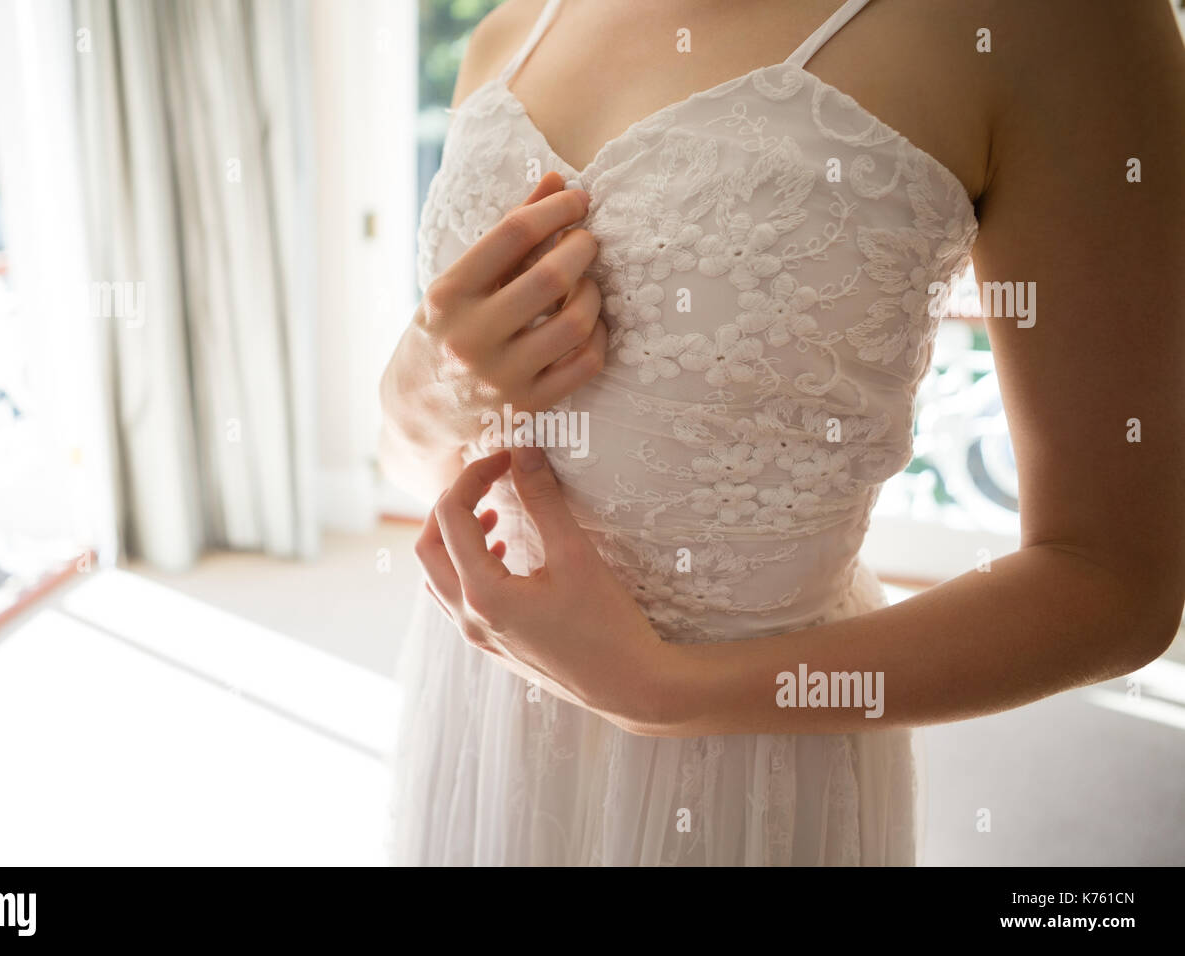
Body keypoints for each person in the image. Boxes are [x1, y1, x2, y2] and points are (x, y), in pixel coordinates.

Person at [379, 0, 1185, 865]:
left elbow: (1114, 584)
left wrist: (667, 692)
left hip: (745, 764)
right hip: (477, 703)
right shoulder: (510, 28)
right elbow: (419, 463)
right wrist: (423, 387)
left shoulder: (1060, 22)